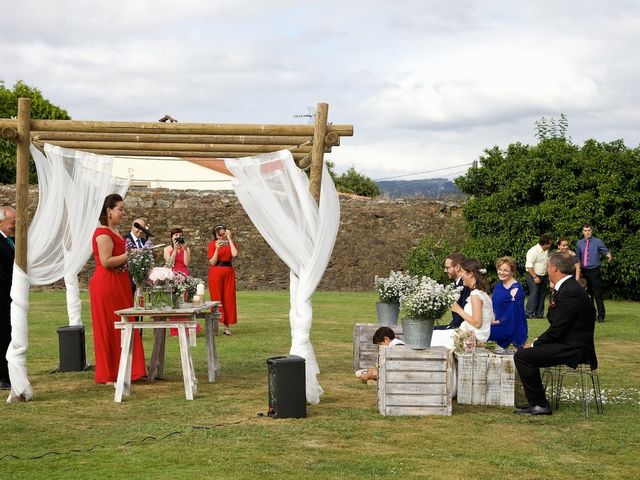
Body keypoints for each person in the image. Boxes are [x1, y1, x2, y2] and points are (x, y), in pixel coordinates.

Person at [514, 252, 597, 415]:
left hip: (574, 348)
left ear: (555, 269)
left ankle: (540, 404)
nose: (546, 269)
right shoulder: (566, 288)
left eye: (547, 266)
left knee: (523, 356)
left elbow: (558, 328)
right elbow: (555, 320)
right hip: (566, 342)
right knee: (525, 353)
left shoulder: (570, 291)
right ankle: (535, 401)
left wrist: (535, 343)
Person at [89, 194, 146, 384]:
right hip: (107, 285)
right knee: (110, 327)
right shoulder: (103, 233)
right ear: (109, 211)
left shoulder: (115, 231)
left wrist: (125, 263)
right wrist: (130, 255)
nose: (123, 212)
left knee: (125, 324)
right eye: (120, 209)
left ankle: (128, 368)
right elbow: (106, 261)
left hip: (119, 282)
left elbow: (116, 260)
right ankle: (110, 373)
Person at [430, 258, 495, 349]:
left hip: (470, 338)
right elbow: (490, 319)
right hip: (472, 335)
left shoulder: (475, 294)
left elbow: (477, 323)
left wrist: (458, 310)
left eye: (463, 272)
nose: (461, 275)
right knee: (433, 334)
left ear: (471, 274)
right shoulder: (483, 294)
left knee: (430, 337)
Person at [164, 228, 201, 336]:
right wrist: (175, 250)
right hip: (173, 274)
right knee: (174, 301)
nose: (178, 237)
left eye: (180, 235)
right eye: (176, 235)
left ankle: (188, 328)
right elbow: (169, 263)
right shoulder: (167, 249)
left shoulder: (186, 248)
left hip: (184, 274)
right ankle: (175, 329)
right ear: (172, 237)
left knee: (185, 301)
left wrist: (184, 250)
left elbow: (186, 262)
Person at [489, 257, 528, 349]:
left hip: (510, 326)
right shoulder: (498, 285)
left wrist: (496, 322)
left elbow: (514, 313)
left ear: (512, 272)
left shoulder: (516, 289)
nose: (502, 272)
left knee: (482, 334)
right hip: (496, 322)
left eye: (506, 270)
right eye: (500, 269)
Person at [576, 224, 612, 323]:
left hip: (594, 270)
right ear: (583, 232)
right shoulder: (579, 243)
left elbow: (605, 251)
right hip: (584, 270)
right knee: (587, 294)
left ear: (591, 231)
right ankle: (590, 314)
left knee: (598, 293)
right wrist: (578, 272)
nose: (587, 232)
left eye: (589, 230)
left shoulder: (597, 242)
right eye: (585, 230)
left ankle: (601, 316)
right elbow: (578, 258)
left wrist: (608, 255)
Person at [208, 224, 238, 336]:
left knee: (228, 299)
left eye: (223, 234)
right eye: (219, 235)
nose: (221, 237)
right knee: (217, 299)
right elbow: (212, 262)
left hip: (228, 272)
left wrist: (229, 239)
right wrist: (217, 249)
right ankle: (214, 327)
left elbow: (235, 254)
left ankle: (226, 327)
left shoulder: (231, 243)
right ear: (215, 235)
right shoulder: (212, 244)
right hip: (216, 272)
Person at [0, 206, 16, 390]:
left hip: (9, 299)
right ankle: (2, 377)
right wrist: (16, 285)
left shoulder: (9, 241)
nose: (15, 226)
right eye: (13, 223)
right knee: (2, 337)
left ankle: (9, 373)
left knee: (9, 336)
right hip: (2, 298)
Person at [434, 253, 471, 331]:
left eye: (447, 268)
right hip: (455, 325)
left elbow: (463, 314)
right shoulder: (456, 284)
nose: (445, 270)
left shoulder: (465, 286)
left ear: (457, 267)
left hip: (462, 328)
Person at [525, 234, 553, 319]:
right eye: (549, 244)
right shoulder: (533, 251)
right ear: (544, 244)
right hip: (533, 275)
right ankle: (528, 313)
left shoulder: (546, 251)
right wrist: (535, 277)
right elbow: (529, 266)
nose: (550, 245)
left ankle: (539, 314)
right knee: (534, 293)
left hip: (543, 276)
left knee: (542, 294)